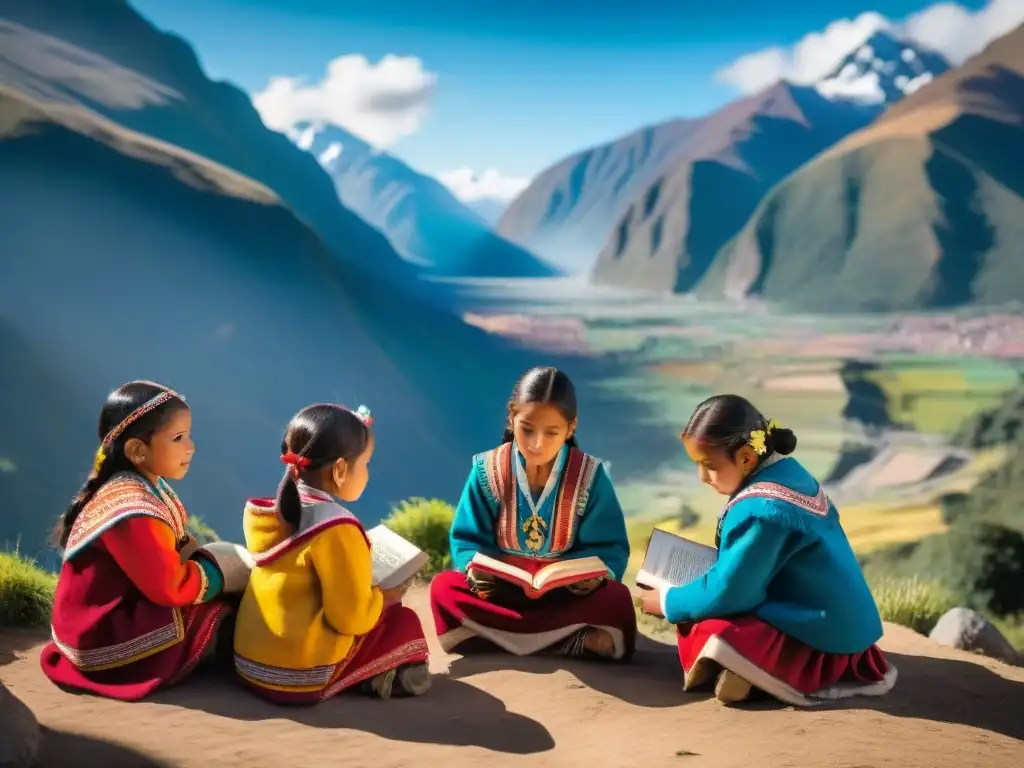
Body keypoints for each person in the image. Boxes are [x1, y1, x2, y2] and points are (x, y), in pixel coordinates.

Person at [639, 394, 897, 707]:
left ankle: (758, 675)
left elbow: (732, 594)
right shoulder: (789, 473)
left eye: (709, 466)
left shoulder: (761, 510)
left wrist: (668, 601)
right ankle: (747, 676)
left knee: (710, 626)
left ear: (746, 457)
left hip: (822, 639)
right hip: (841, 624)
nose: (702, 478)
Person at [40, 381, 235, 701]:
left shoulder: (145, 485)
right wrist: (222, 574)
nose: (191, 447)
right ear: (137, 450)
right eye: (178, 438)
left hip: (105, 612)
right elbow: (170, 587)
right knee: (216, 610)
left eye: (188, 435)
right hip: (100, 634)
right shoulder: (133, 510)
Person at [430, 366, 637, 660]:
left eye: (552, 432)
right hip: (501, 593)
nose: (537, 443)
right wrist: (475, 569)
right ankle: (566, 640)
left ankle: (498, 637)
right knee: (443, 588)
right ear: (512, 418)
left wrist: (592, 577)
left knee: (617, 599)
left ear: (571, 427)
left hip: (563, 596)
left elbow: (610, 547)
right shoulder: (487, 471)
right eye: (527, 429)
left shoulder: (590, 476)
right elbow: (467, 538)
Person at [233, 403, 431, 704]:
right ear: (340, 470)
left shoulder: (269, 513)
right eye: (365, 463)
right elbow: (350, 620)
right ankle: (383, 676)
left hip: (248, 664)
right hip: (297, 677)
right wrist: (384, 598)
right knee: (403, 624)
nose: (366, 473)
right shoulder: (337, 527)